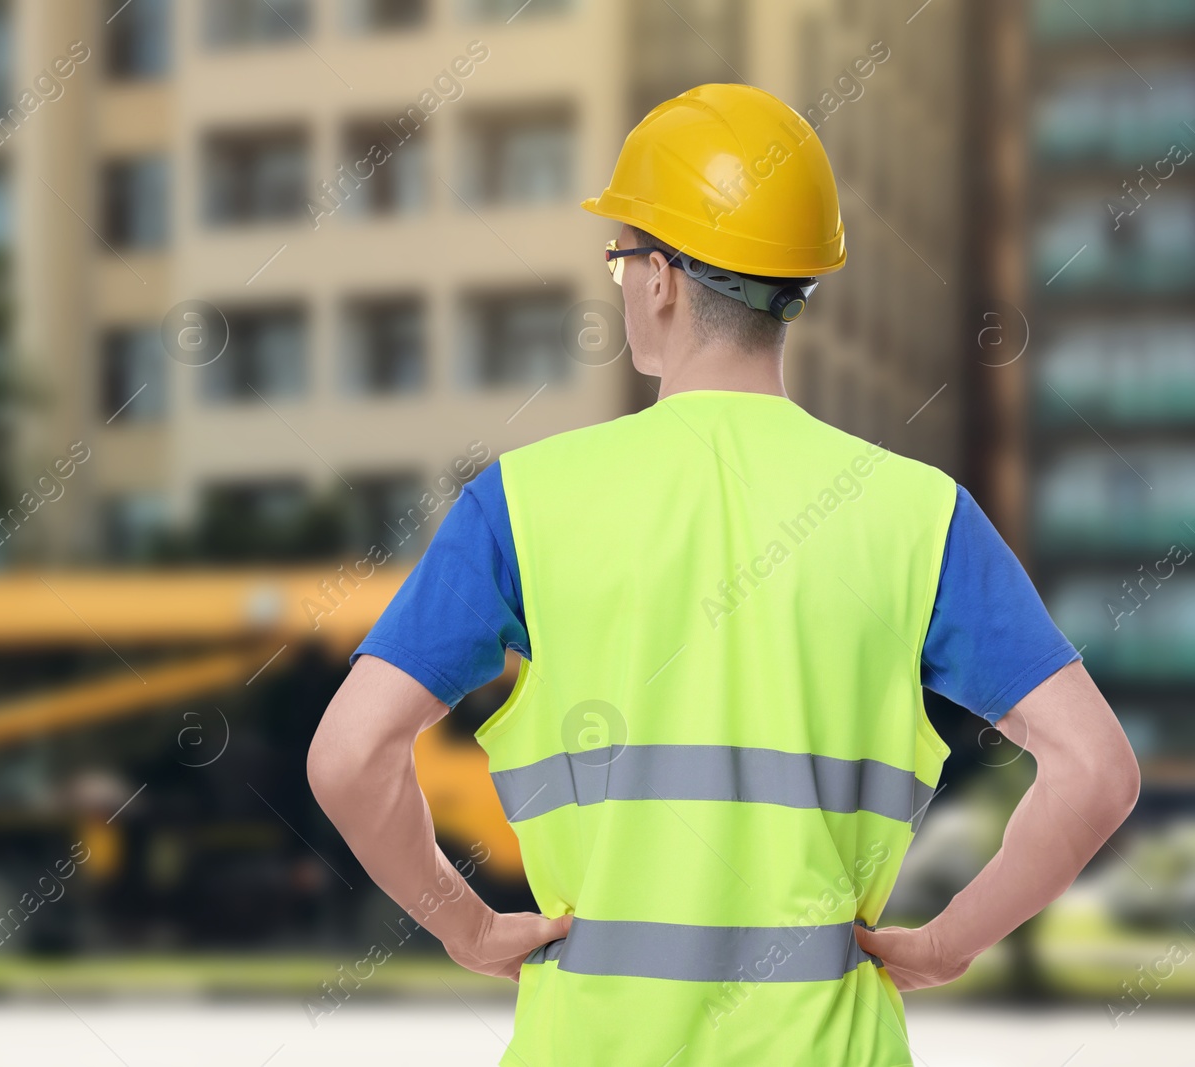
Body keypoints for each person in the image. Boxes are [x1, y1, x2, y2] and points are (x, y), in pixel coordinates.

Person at [307, 83, 1140, 1066]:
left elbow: (348, 756)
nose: (619, 283)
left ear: (660, 278)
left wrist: (467, 925)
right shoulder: (921, 516)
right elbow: (1096, 772)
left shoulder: (522, 502)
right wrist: (948, 942)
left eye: (619, 257)